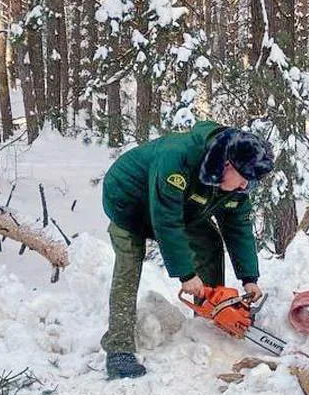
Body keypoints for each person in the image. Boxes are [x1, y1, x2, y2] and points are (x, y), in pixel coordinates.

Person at [100, 121, 275, 379]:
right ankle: (118, 349)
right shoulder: (178, 159)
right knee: (129, 259)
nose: (244, 187)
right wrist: (186, 274)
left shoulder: (233, 180)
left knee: (209, 243)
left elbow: (238, 225)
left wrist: (250, 278)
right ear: (227, 164)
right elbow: (166, 221)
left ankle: (208, 320)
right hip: (128, 199)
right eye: (245, 180)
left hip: (178, 206)